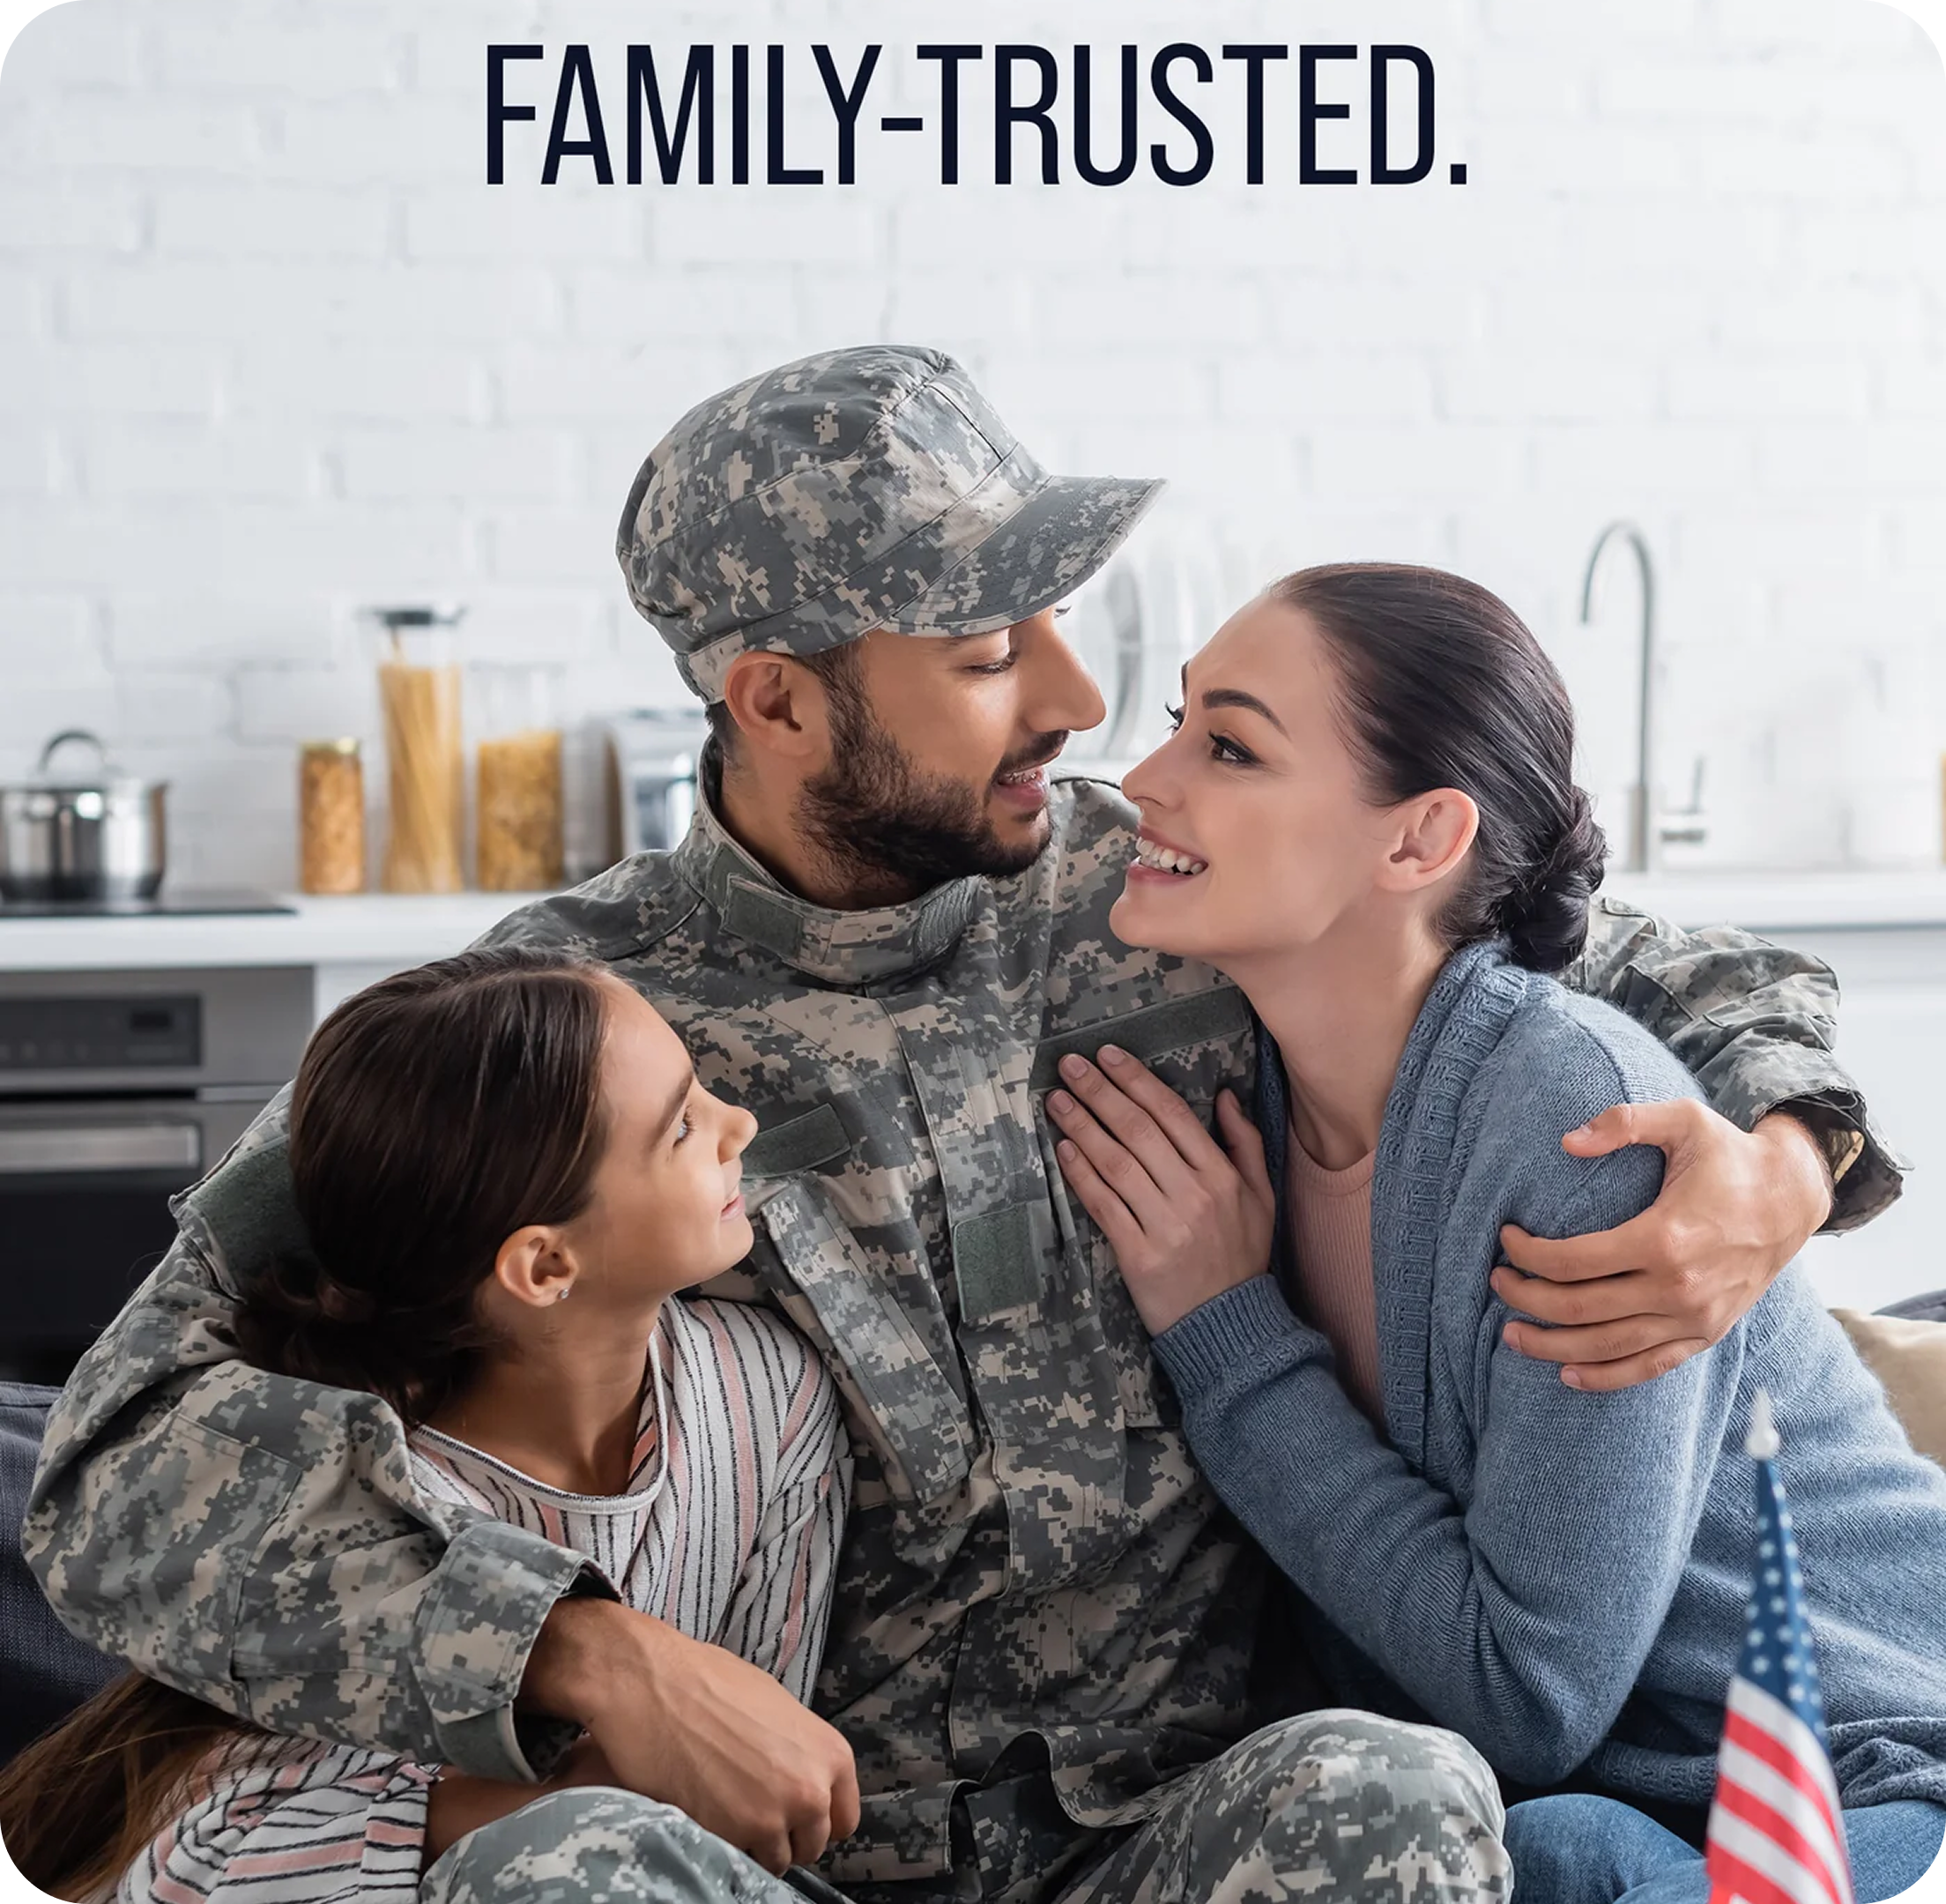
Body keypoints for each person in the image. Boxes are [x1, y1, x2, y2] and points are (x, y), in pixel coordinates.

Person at [23, 346, 1904, 1904]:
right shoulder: (550, 1027)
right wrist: (572, 1652)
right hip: (796, 1864)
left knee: (1392, 1794)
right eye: (991, 649)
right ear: (775, 697)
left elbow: (1632, 950)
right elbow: (115, 1454)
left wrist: (1782, 1161)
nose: (1080, 704)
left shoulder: (1176, 884)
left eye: (1058, 621)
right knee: (568, 1870)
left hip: (1183, 1838)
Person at [1041, 562, 1946, 1904]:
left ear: (1418, 841)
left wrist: (1226, 1334)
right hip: (1595, 1810)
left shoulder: (1580, 1129)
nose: (1146, 777)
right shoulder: (1247, 1083)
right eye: (1179, 722)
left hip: (1857, 1769)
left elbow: (1531, 1692)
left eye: (1227, 746)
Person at [1, 946, 854, 1902]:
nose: (742, 1124)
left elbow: (768, 1785)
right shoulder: (366, 1500)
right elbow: (214, 1859)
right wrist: (579, 1800)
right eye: (682, 1127)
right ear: (542, 1267)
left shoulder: (774, 1403)